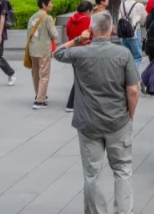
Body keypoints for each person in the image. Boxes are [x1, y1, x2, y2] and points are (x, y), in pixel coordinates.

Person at [54, 12, 140, 214]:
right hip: (117, 120)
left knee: (92, 173)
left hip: (88, 121)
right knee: (122, 169)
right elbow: (133, 90)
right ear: (112, 29)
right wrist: (130, 114)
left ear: (90, 30)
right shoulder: (123, 54)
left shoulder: (80, 53)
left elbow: (57, 53)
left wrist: (77, 40)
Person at [27, 0, 59, 109]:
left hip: (32, 50)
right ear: (44, 5)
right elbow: (54, 34)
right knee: (44, 75)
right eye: (50, 3)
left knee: (36, 74)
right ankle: (40, 101)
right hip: (44, 50)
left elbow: (28, 34)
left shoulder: (32, 17)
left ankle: (38, 95)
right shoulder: (47, 17)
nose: (52, 5)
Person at [64, 0, 93, 112]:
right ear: (87, 11)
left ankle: (79, 102)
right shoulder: (88, 21)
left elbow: (67, 33)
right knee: (82, 78)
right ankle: (71, 104)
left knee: (79, 75)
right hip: (85, 51)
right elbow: (91, 36)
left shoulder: (71, 20)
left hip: (73, 50)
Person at [119, 0, 146, 69]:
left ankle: (125, 75)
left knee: (126, 56)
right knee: (137, 57)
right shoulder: (139, 5)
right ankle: (132, 77)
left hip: (123, 33)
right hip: (134, 32)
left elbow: (119, 18)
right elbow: (144, 19)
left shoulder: (122, 4)